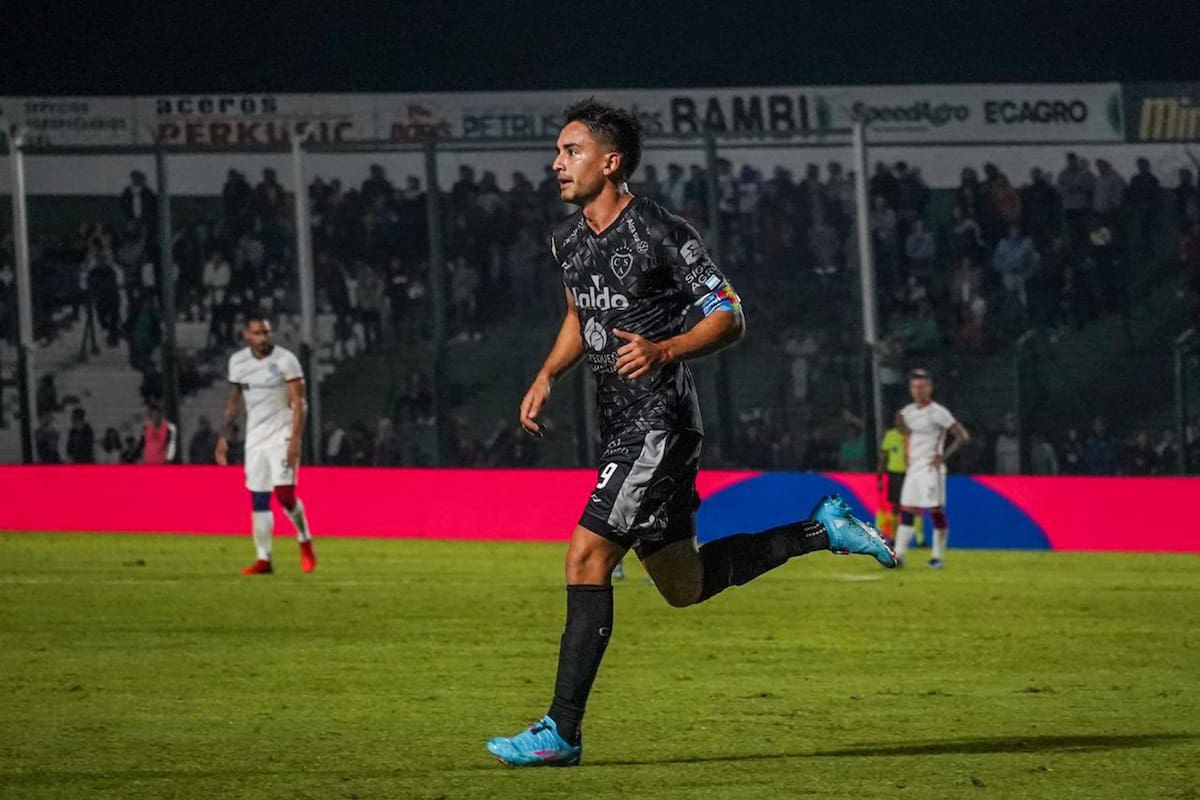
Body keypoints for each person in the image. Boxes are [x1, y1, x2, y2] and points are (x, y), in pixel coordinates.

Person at [485, 99, 896, 768]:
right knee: (684, 584)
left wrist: (666, 349)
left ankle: (561, 730)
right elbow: (578, 314)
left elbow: (729, 315)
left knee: (587, 557)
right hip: (619, 423)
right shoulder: (566, 238)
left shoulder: (659, 230)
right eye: (558, 152)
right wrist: (546, 375)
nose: (556, 163)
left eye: (571, 151)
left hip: (658, 423)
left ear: (610, 161)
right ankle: (822, 530)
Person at [216, 311, 317, 575]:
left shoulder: (286, 360)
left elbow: (299, 403)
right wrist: (223, 437)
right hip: (255, 438)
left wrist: (295, 440)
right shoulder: (238, 362)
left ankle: (304, 538)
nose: (263, 337)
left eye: (266, 332)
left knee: (284, 496)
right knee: (258, 498)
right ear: (247, 336)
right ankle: (264, 559)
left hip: (282, 434)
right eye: (257, 333)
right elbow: (233, 402)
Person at [894, 369, 970, 569]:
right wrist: (900, 423)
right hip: (913, 469)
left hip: (930, 469)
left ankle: (937, 557)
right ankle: (899, 556)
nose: (917, 391)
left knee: (935, 511)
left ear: (930, 388)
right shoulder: (908, 412)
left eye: (921, 387)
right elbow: (904, 431)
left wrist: (942, 457)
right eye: (914, 387)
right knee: (907, 511)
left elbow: (962, 435)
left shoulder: (938, 412)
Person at [875, 411, 914, 546]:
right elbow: (883, 457)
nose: (897, 422)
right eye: (896, 419)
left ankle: (914, 538)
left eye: (901, 419)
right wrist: (879, 476)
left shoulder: (911, 436)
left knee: (911, 507)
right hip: (895, 474)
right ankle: (895, 536)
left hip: (910, 474)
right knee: (896, 506)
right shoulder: (890, 435)